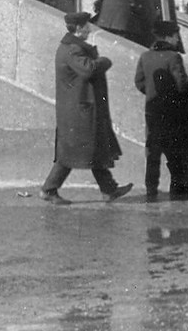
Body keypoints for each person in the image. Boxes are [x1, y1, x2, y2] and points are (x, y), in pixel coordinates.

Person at [40, 12, 132, 205]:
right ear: (78, 28)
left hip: (79, 109)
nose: (89, 29)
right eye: (86, 26)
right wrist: (104, 61)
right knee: (72, 152)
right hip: (78, 111)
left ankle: (109, 189)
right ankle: (49, 189)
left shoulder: (71, 47)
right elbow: (88, 69)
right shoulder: (72, 50)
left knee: (92, 149)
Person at [134, 20, 188, 199]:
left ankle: (151, 189)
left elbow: (139, 82)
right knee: (174, 152)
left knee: (152, 154)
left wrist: (151, 91)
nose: (177, 39)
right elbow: (182, 84)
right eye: (176, 35)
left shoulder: (145, 56)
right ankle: (177, 186)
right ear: (168, 36)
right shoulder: (173, 57)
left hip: (152, 112)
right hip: (172, 112)